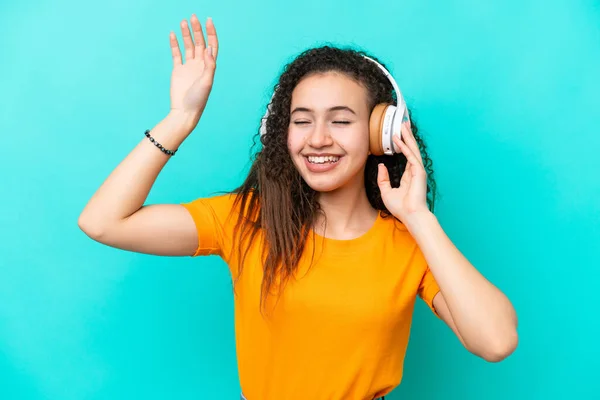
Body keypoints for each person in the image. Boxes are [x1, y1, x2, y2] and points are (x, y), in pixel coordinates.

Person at [78, 13, 518, 400]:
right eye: (301, 120)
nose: (317, 138)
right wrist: (180, 119)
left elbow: (496, 341)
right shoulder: (246, 221)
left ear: (380, 133)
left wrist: (420, 218)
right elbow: (102, 222)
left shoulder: (410, 242)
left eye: (341, 120)